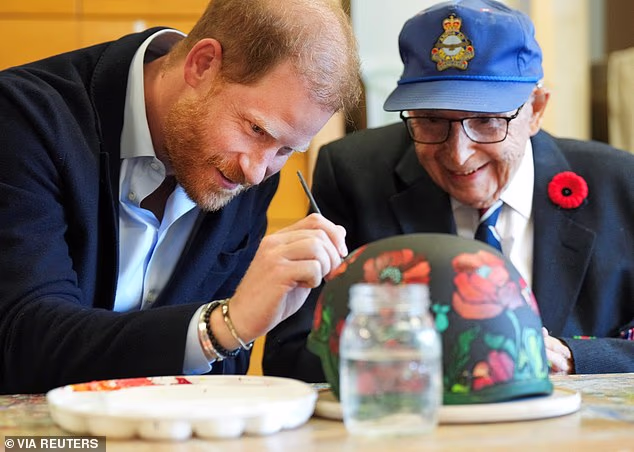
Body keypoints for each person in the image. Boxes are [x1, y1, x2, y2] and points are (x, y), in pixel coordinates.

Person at [0, 0, 360, 394]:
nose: (256, 172)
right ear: (202, 64)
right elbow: (24, 340)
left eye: (286, 150)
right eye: (256, 129)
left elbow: (223, 368)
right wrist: (222, 325)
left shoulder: (246, 169)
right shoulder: (22, 119)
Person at [263, 0, 634, 381]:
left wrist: (573, 357)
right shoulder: (353, 174)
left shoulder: (621, 185)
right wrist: (431, 357)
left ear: (536, 110)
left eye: (488, 121)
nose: (459, 155)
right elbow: (291, 355)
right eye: (431, 121)